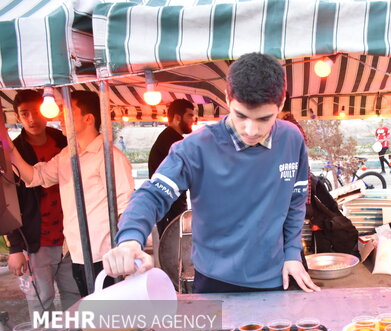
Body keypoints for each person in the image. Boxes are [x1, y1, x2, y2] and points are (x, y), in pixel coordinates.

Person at [102, 53, 320, 294]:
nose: (251, 130)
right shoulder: (195, 148)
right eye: (241, 116)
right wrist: (130, 239)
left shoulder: (291, 138)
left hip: (279, 275)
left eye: (264, 119)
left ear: (280, 104)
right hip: (214, 282)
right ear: (228, 98)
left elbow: (296, 201)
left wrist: (292, 253)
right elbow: (152, 194)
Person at [6, 91, 135, 296]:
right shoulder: (67, 154)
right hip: (77, 253)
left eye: (67, 112)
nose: (60, 118)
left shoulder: (109, 157)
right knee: (91, 313)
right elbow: (34, 177)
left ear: (88, 118)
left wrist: (126, 249)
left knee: (111, 319)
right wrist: (8, 146)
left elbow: (126, 207)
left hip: (104, 254)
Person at [6, 90, 81, 315]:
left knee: (75, 294)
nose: (32, 119)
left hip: (70, 235)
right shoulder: (15, 152)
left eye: (36, 112)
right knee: (42, 301)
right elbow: (9, 201)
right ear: (18, 117)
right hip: (36, 239)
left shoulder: (63, 141)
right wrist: (16, 248)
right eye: (24, 114)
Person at [148, 99, 194, 237]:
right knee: (173, 251)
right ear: (177, 117)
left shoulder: (171, 139)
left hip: (171, 207)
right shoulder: (172, 143)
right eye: (190, 115)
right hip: (169, 208)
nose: (193, 119)